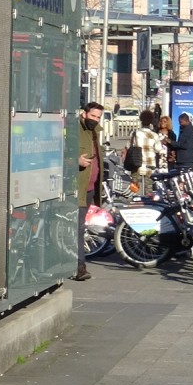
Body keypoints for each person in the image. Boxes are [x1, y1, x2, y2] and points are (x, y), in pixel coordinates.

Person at [74, 102, 105, 281]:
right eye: (93, 116)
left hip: (90, 188)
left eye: (98, 117)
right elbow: (59, 152)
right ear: (84, 114)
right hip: (78, 188)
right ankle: (80, 267)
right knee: (78, 228)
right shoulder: (75, 129)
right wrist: (75, 160)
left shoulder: (95, 132)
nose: (96, 120)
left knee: (80, 227)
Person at [128, 109, 163, 195]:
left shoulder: (134, 133)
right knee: (149, 191)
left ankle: (133, 205)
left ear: (141, 120)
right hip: (149, 165)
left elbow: (129, 146)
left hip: (136, 164)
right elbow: (158, 149)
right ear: (151, 121)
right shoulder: (154, 135)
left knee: (133, 190)